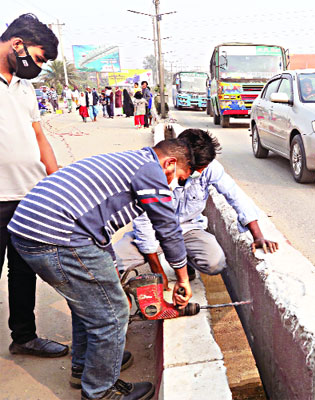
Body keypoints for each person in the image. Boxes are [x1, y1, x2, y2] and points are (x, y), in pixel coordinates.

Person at [9, 137, 195, 400]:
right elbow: (167, 227)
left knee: (88, 303)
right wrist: (183, 278)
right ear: (170, 163)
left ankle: (86, 366)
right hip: (57, 236)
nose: (172, 184)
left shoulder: (129, 160)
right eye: (177, 177)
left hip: (30, 230)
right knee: (113, 313)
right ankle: (100, 391)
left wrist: (111, 267)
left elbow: (98, 226)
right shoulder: (151, 171)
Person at [114, 127, 278, 288]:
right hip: (154, 232)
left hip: (189, 229)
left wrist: (257, 235)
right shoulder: (153, 172)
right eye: (196, 168)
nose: (200, 172)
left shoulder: (208, 168)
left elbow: (235, 196)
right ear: (181, 159)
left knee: (215, 263)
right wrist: (159, 273)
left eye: (204, 168)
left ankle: (186, 262)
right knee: (114, 262)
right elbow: (144, 223)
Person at [0, 13, 68, 360]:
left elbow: (39, 138)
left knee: (24, 271)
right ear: (17, 45)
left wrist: (56, 185)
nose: (38, 67)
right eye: (38, 58)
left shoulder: (25, 87)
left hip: (28, 197)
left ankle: (24, 336)